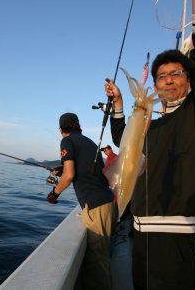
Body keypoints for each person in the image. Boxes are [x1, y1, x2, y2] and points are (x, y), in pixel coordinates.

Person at [104, 0, 195, 288]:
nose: (168, 80)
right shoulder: (153, 126)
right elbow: (125, 141)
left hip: (174, 241)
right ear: (155, 83)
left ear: (188, 79)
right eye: (161, 76)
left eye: (176, 73)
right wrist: (119, 105)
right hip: (139, 237)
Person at [47, 112, 116, 289]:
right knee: (102, 257)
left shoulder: (67, 141)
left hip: (95, 206)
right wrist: (61, 168)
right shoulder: (89, 142)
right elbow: (86, 169)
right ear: (78, 125)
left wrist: (55, 193)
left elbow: (70, 175)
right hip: (107, 202)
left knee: (97, 264)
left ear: (61, 129)